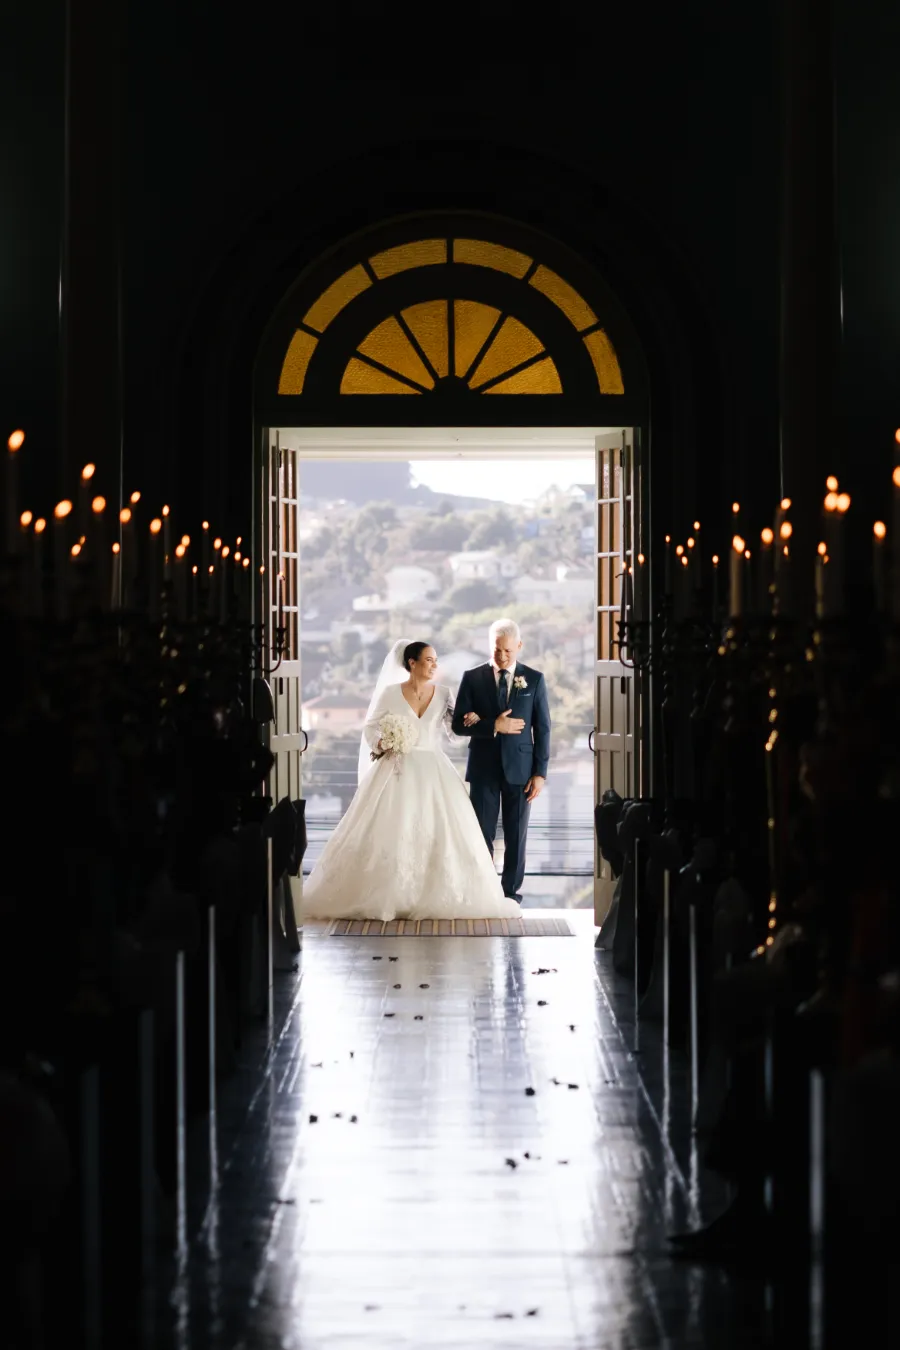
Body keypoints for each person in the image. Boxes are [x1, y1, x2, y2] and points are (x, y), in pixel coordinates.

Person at [299, 639, 522, 923]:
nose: (434, 665)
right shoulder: (391, 693)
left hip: (434, 769)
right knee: (392, 827)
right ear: (412, 663)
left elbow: (454, 733)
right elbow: (370, 726)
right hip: (396, 768)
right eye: (428, 660)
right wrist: (383, 742)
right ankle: (389, 894)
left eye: (435, 660)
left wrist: (478, 721)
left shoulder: (444, 693)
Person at [451, 619, 551, 902]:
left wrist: (540, 774)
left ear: (519, 646)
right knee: (480, 835)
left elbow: (542, 729)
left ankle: (510, 895)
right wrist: (493, 725)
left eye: (508, 650)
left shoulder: (534, 679)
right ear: (490, 646)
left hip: (521, 771)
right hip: (483, 769)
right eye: (497, 650)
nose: (502, 656)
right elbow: (459, 725)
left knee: (516, 837)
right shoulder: (472, 678)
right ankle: (482, 891)